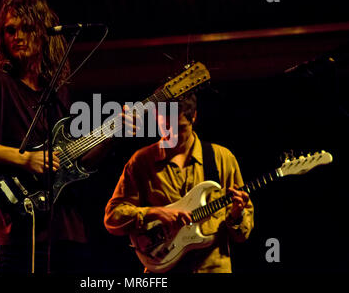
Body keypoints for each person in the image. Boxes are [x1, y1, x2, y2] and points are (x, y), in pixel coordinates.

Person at [0, 0, 134, 273]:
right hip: (21, 227)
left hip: (66, 229)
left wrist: (113, 133)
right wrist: (24, 159)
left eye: (27, 28)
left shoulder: (58, 90)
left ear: (45, 34)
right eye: (10, 30)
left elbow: (78, 165)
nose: (17, 36)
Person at [104, 93, 254, 273]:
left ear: (194, 117)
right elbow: (112, 217)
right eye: (165, 127)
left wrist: (237, 214)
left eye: (179, 128)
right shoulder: (141, 162)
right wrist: (155, 213)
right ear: (156, 118)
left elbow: (242, 234)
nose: (171, 135)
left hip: (212, 268)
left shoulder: (222, 158)